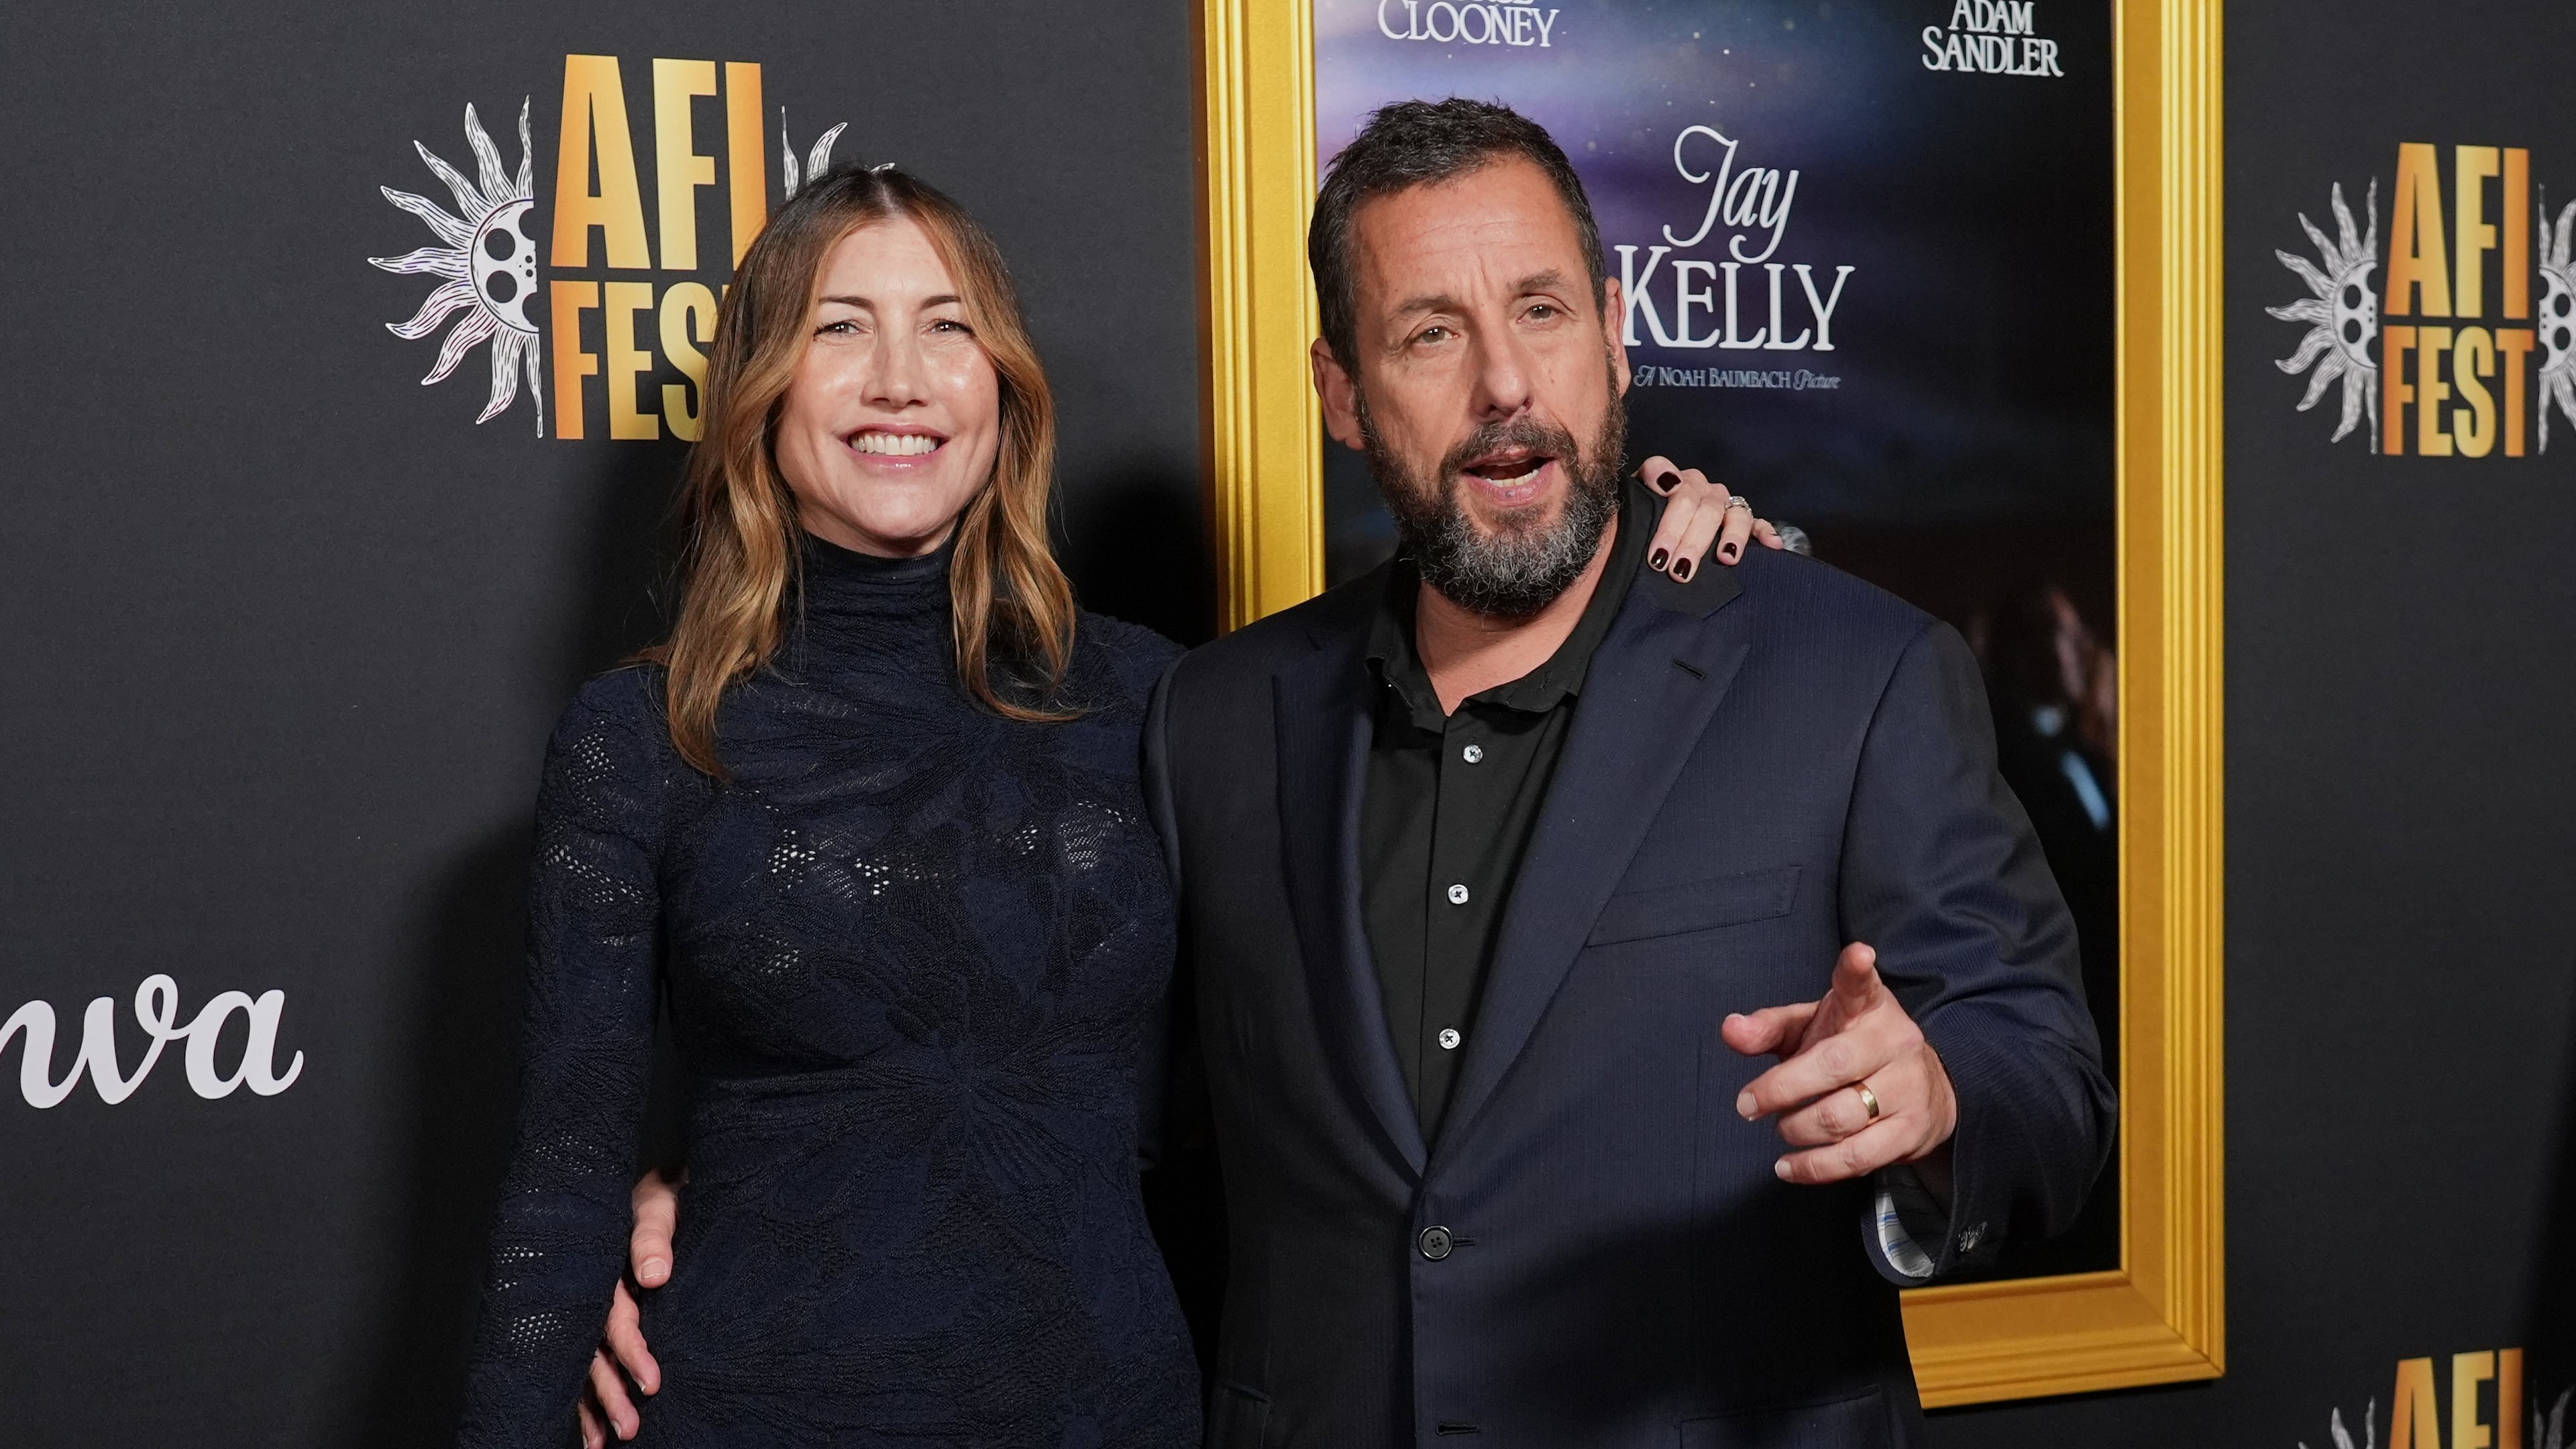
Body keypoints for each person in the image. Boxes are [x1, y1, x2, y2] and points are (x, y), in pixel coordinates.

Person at [456, 160, 1768, 1448]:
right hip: (752, 1404)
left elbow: (1460, 644)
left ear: (1003, 389)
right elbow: (560, 1198)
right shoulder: (643, 737)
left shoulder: (1161, 699)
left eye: (947, 330)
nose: (900, 379)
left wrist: (1628, 565)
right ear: (761, 387)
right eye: (839, 329)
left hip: (1113, 1405)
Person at [1137, 100, 2112, 1444]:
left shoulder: (1854, 677)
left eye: (1541, 312)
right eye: (1432, 333)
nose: (1505, 387)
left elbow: (2047, 1081)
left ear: (1614, 330)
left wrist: (1939, 1100)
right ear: (1342, 395)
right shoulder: (1216, 717)